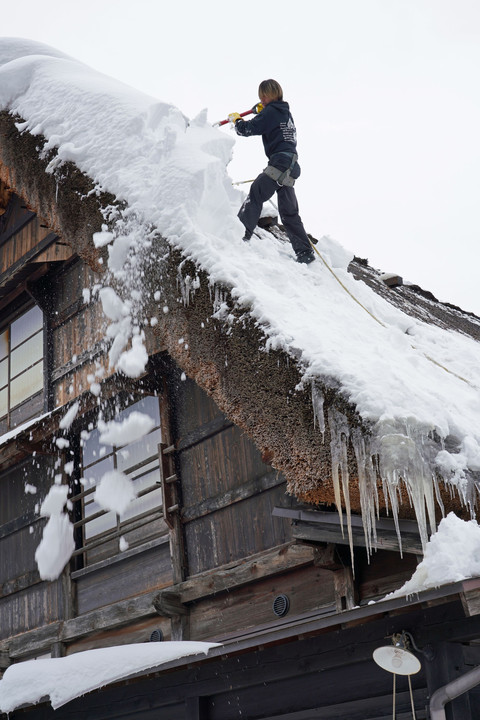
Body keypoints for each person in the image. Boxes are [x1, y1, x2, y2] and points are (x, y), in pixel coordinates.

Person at [229, 79, 315, 264]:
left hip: (280, 163)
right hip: (291, 166)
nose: (261, 99)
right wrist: (261, 111)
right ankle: (305, 252)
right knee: (289, 213)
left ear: (265, 95)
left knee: (257, 193)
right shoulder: (285, 113)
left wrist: (236, 120)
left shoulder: (271, 112)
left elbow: (247, 129)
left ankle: (239, 236)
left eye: (262, 96)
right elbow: (269, 121)